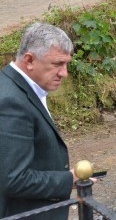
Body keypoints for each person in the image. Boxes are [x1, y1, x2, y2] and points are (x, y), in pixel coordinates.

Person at [0, 22, 80, 219]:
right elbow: (14, 179)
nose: (64, 73)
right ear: (29, 60)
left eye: (66, 64)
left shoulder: (17, 87)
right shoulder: (11, 101)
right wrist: (67, 179)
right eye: (57, 64)